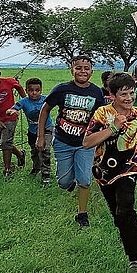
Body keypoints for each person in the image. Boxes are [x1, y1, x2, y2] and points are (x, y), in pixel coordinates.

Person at [83, 73, 137, 273]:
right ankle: (125, 232)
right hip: (104, 171)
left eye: (131, 93)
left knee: (126, 209)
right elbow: (87, 142)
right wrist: (114, 128)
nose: (129, 98)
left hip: (129, 167)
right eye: (123, 94)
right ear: (113, 95)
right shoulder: (103, 113)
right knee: (118, 215)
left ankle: (134, 262)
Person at [37, 55, 105, 228]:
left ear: (92, 71)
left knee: (85, 180)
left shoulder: (96, 93)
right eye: (78, 68)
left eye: (86, 68)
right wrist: (40, 136)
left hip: (85, 144)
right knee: (64, 182)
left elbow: (100, 118)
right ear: (72, 70)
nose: (82, 71)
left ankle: (82, 214)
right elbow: (45, 110)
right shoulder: (62, 89)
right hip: (63, 142)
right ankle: (70, 181)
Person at [6, 77, 54, 184]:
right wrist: (12, 112)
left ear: (41, 90)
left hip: (47, 129)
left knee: (45, 151)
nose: (34, 93)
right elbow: (11, 109)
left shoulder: (46, 100)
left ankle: (46, 174)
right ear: (26, 90)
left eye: (37, 90)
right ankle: (36, 167)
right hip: (33, 132)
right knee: (35, 152)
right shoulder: (24, 101)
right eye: (31, 90)